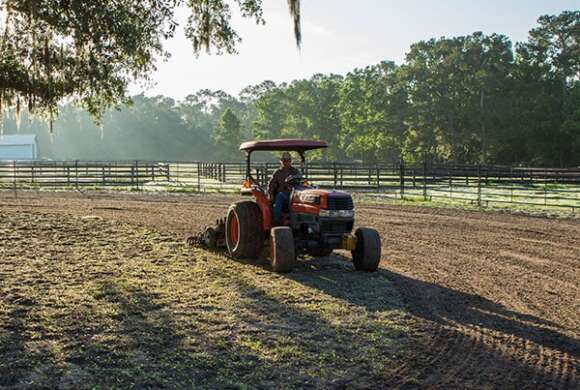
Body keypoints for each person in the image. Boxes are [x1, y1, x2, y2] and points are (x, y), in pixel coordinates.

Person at [268, 151, 300, 225]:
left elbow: (300, 181)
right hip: (283, 193)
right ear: (281, 161)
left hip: (295, 193)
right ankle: (277, 221)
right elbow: (271, 185)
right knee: (280, 196)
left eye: (288, 160)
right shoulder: (278, 172)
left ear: (291, 161)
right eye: (284, 160)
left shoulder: (295, 171)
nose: (286, 162)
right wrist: (271, 195)